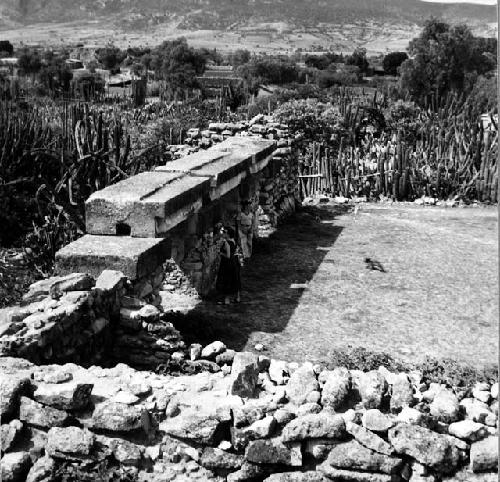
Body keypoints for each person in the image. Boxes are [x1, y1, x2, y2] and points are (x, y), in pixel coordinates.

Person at [216, 226, 241, 304]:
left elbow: (228, 255)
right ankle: (237, 297)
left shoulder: (227, 242)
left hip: (227, 264)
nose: (223, 234)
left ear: (228, 234)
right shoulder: (234, 241)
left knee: (226, 280)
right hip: (234, 262)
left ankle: (226, 300)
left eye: (224, 232)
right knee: (234, 279)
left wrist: (220, 253)